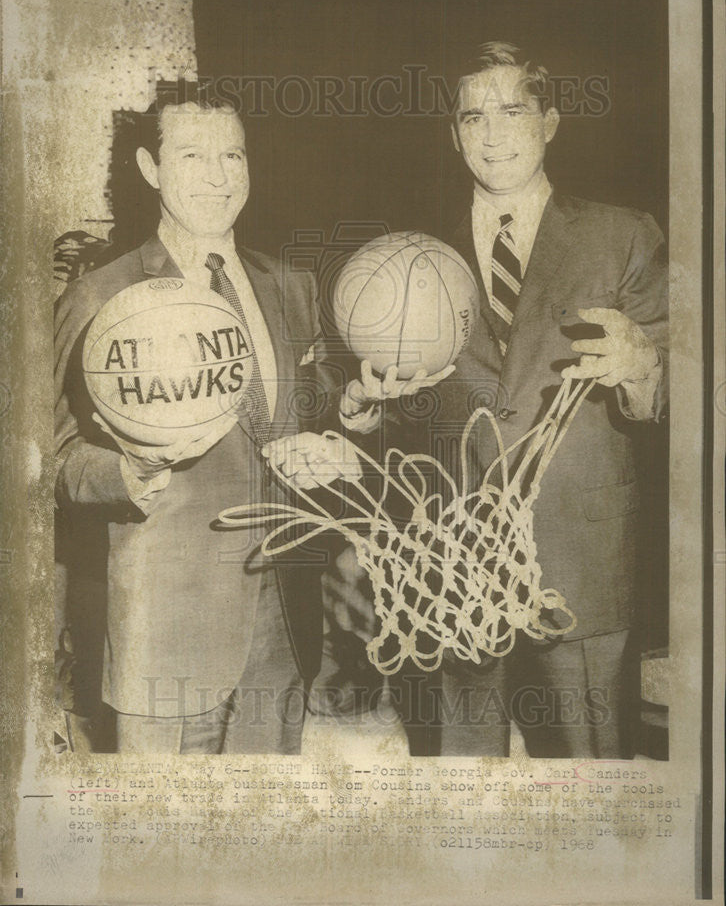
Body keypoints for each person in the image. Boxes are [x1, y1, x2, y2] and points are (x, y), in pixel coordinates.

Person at [272, 41, 668, 759]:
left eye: (513, 110)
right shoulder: (414, 253)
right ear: (453, 134)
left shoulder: (624, 235)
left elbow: (685, 383)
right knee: (460, 775)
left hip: (582, 553)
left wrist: (645, 367)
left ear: (550, 120)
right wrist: (364, 403)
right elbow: (385, 409)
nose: (492, 133)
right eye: (472, 117)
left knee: (593, 780)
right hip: (449, 557)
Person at [54, 83, 328, 754]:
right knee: (158, 846)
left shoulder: (291, 285)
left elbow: (314, 406)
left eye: (232, 156)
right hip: (167, 632)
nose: (217, 177)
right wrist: (131, 470)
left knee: (262, 842)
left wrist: (355, 410)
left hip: (284, 624)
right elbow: (54, 461)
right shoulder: (102, 294)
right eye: (192, 155)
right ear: (151, 168)